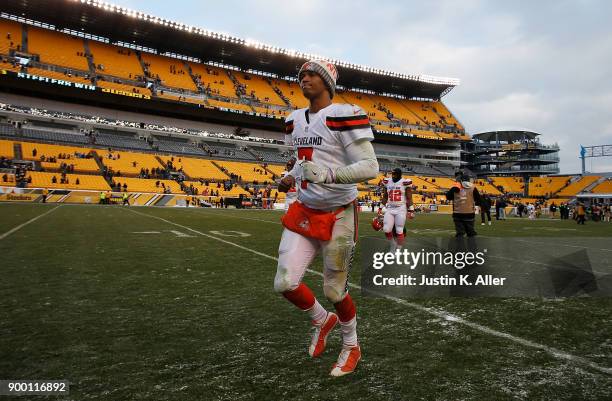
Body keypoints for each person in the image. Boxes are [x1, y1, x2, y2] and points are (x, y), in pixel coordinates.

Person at [276, 60, 378, 376]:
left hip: (339, 213)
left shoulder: (343, 115)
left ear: (327, 82)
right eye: (301, 75)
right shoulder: (293, 121)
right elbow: (300, 160)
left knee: (334, 290)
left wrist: (329, 174)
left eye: (311, 74)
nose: (303, 78)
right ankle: (322, 320)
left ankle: (351, 346)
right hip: (305, 209)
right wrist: (290, 177)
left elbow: (370, 168)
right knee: (285, 282)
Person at [381, 168, 414, 249]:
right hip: (390, 208)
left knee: (399, 230)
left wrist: (411, 210)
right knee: (386, 229)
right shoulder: (387, 182)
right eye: (392, 174)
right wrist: (380, 208)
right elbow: (385, 196)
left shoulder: (405, 182)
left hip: (401, 209)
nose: (393, 176)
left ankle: (399, 248)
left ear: (399, 174)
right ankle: (393, 243)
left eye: (395, 174)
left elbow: (409, 197)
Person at [446, 170, 482, 237]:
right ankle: (472, 246)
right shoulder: (473, 187)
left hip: (458, 213)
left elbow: (448, 197)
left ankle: (460, 246)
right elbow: (478, 200)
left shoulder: (456, 187)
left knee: (460, 233)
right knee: (471, 233)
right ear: (469, 180)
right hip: (470, 213)